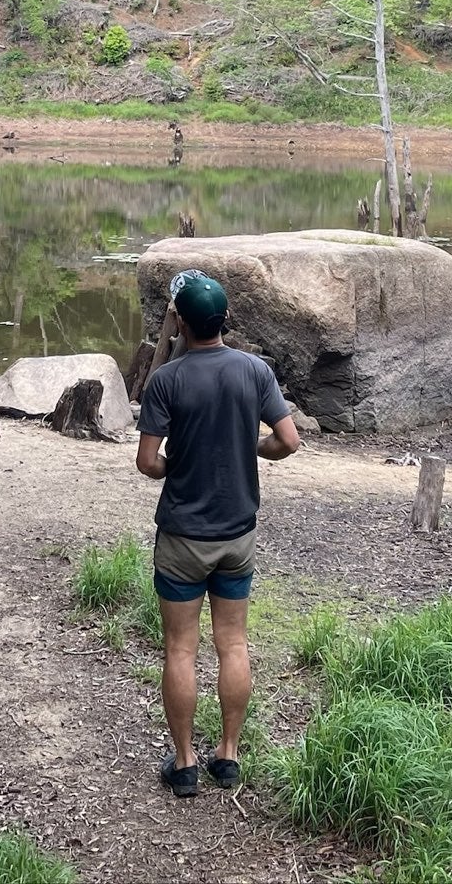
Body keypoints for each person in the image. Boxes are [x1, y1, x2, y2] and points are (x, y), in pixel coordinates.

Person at [135, 269, 300, 798]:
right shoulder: (255, 371)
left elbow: (147, 463)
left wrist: (177, 468)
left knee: (181, 649)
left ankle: (184, 764)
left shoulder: (167, 380)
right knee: (233, 643)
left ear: (180, 323)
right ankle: (227, 755)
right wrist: (250, 449)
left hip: (183, 537)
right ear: (224, 320)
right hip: (237, 536)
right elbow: (289, 441)